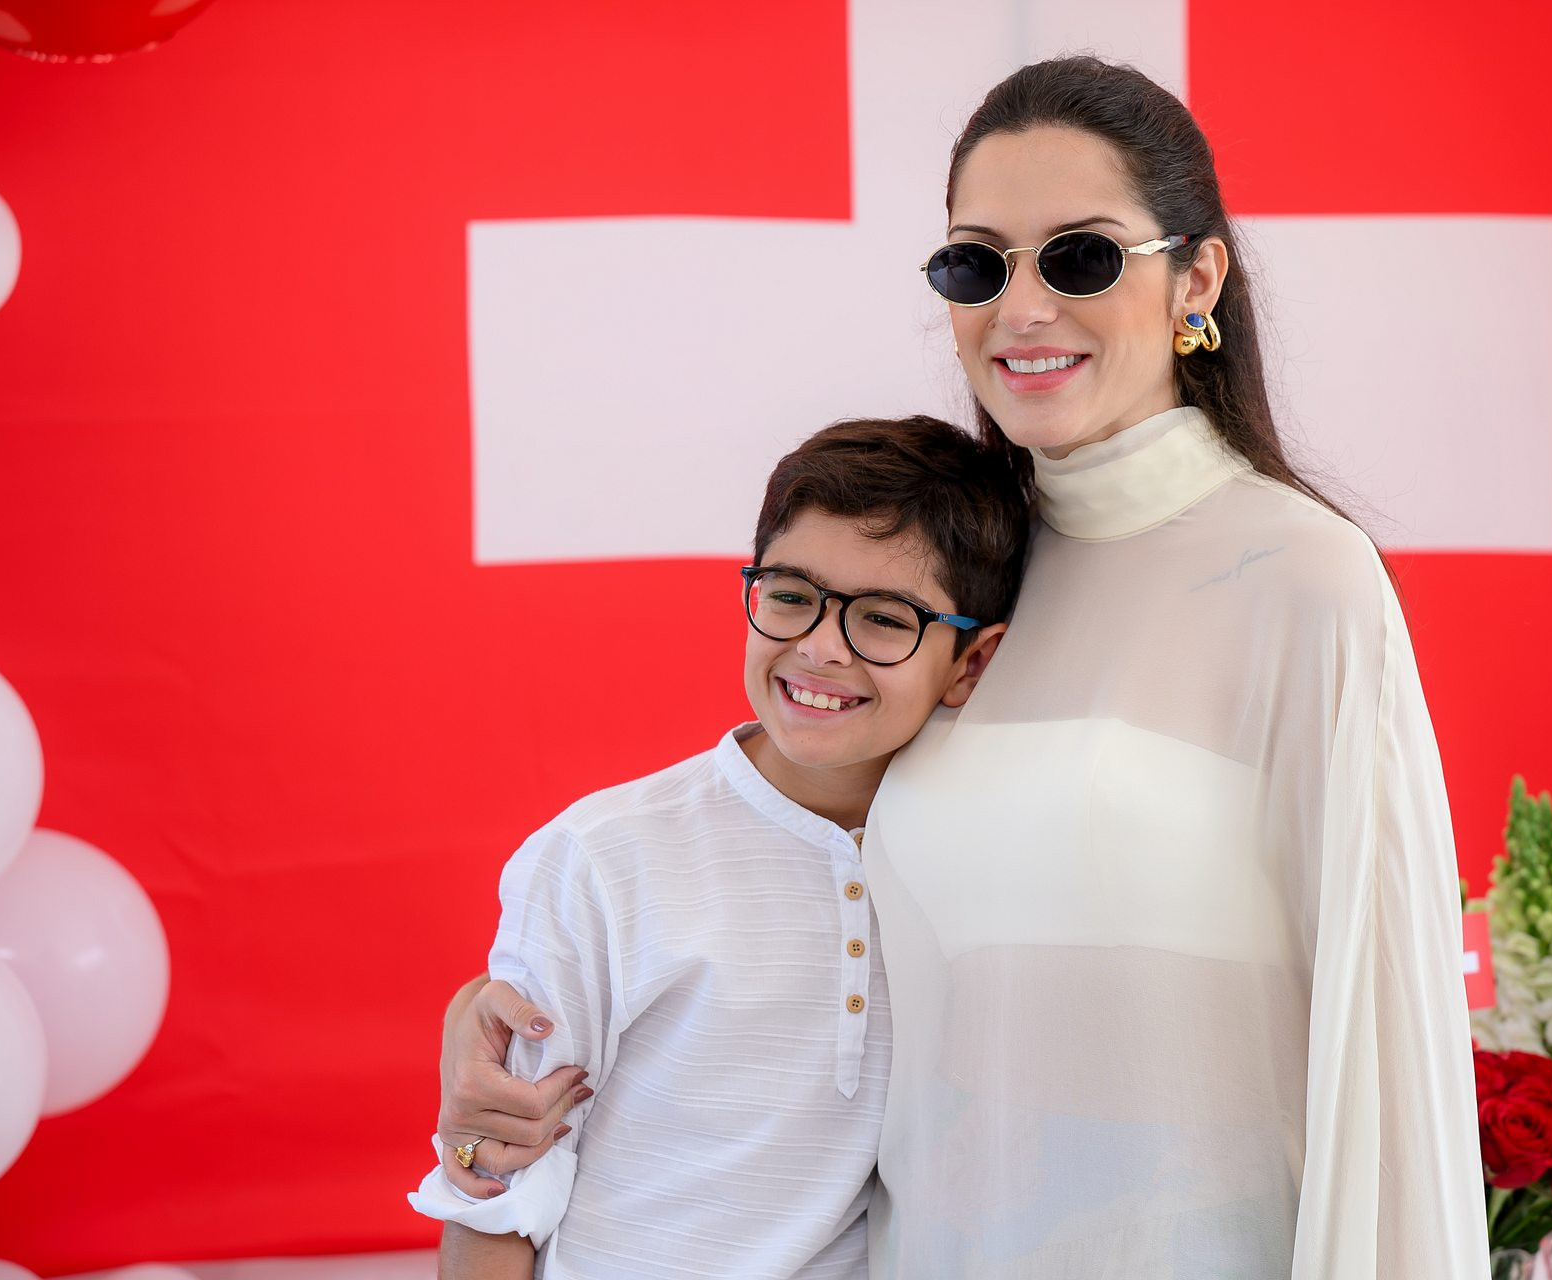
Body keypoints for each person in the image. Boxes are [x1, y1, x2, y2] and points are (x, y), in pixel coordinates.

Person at [435, 56, 1488, 1278]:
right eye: (978, 265)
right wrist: (507, 1014)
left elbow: (1385, 1039)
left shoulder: (1303, 579)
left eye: (1080, 257)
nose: (1021, 307)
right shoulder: (961, 566)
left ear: (1197, 279)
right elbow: (782, 869)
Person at [410, 417, 1029, 1279]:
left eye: (885, 619)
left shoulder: (990, 866)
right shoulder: (600, 858)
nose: (819, 646)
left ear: (972, 663)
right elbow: (495, 1187)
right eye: (790, 594)